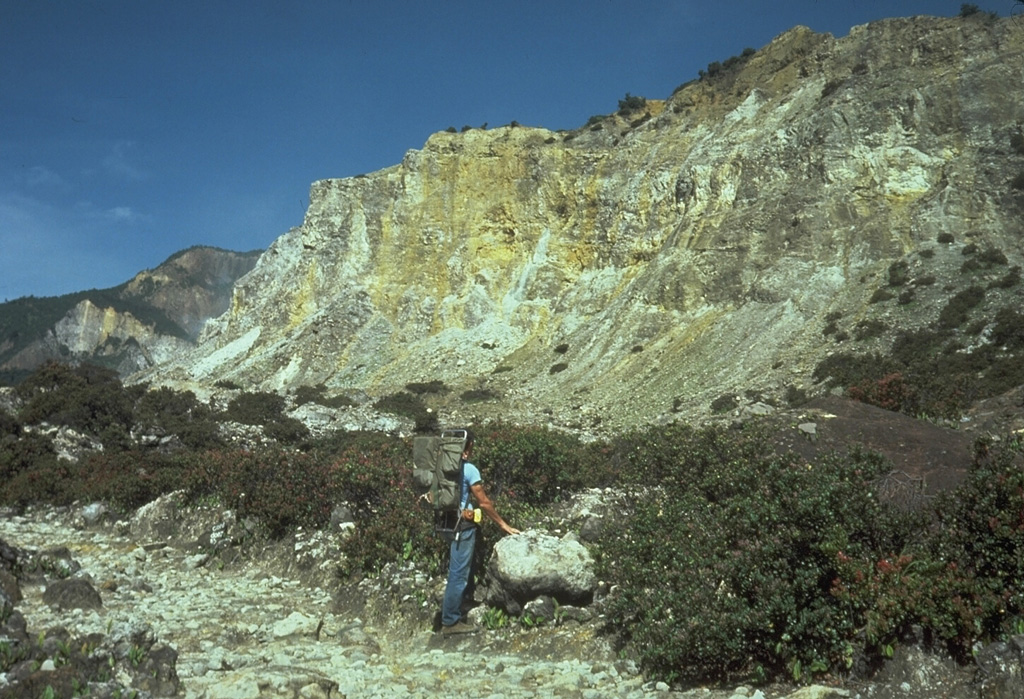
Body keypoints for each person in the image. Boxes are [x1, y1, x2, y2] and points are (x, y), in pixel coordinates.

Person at [441, 430, 520, 636]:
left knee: (466, 566)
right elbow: (484, 502)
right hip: (463, 526)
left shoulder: (441, 469)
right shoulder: (469, 470)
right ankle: (450, 621)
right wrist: (503, 525)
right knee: (458, 573)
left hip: (448, 523)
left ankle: (464, 601)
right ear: (466, 448)